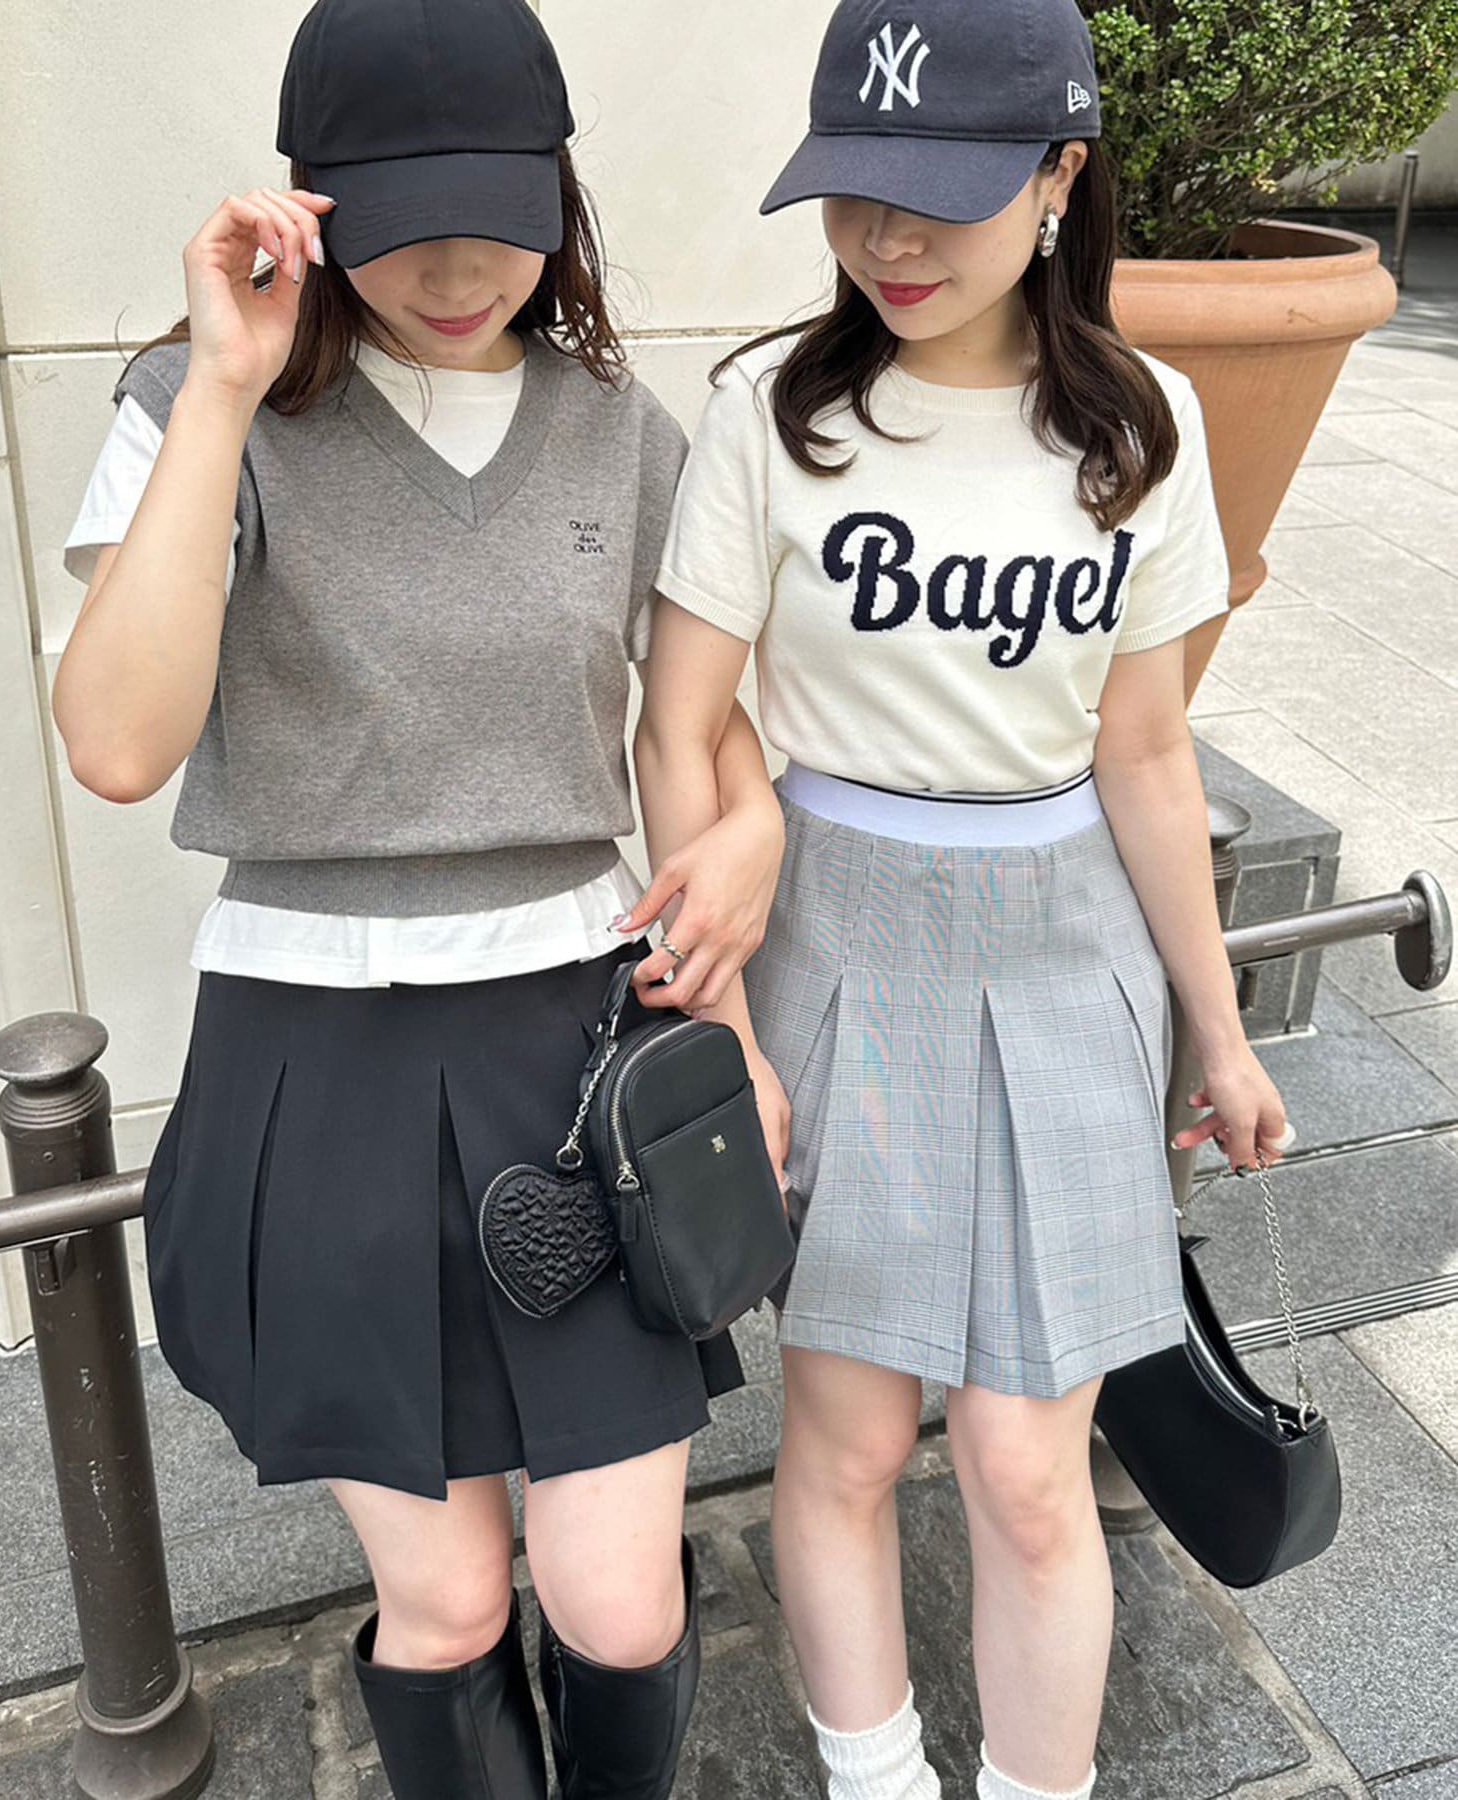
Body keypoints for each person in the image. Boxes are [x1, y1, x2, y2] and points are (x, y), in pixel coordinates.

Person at [52, 1, 784, 1794]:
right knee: (447, 1604)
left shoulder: (612, 425)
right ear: (305, 207)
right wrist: (223, 383)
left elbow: (702, 723)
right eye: (398, 225)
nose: (457, 272)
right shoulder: (195, 404)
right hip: (316, 1056)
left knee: (619, 1600)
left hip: (584, 1043)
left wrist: (753, 849)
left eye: (498, 218)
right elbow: (119, 741)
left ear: (557, 193)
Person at [627, 1, 1294, 1796]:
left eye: (938, 193)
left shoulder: (1141, 424)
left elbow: (1145, 752)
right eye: (855, 191)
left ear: (1061, 174)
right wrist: (725, 1035)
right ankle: (876, 1776)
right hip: (837, 951)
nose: (887, 239)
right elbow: (678, 728)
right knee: (846, 1443)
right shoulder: (772, 414)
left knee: (1025, 1463)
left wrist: (1220, 1033)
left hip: (1067, 952)